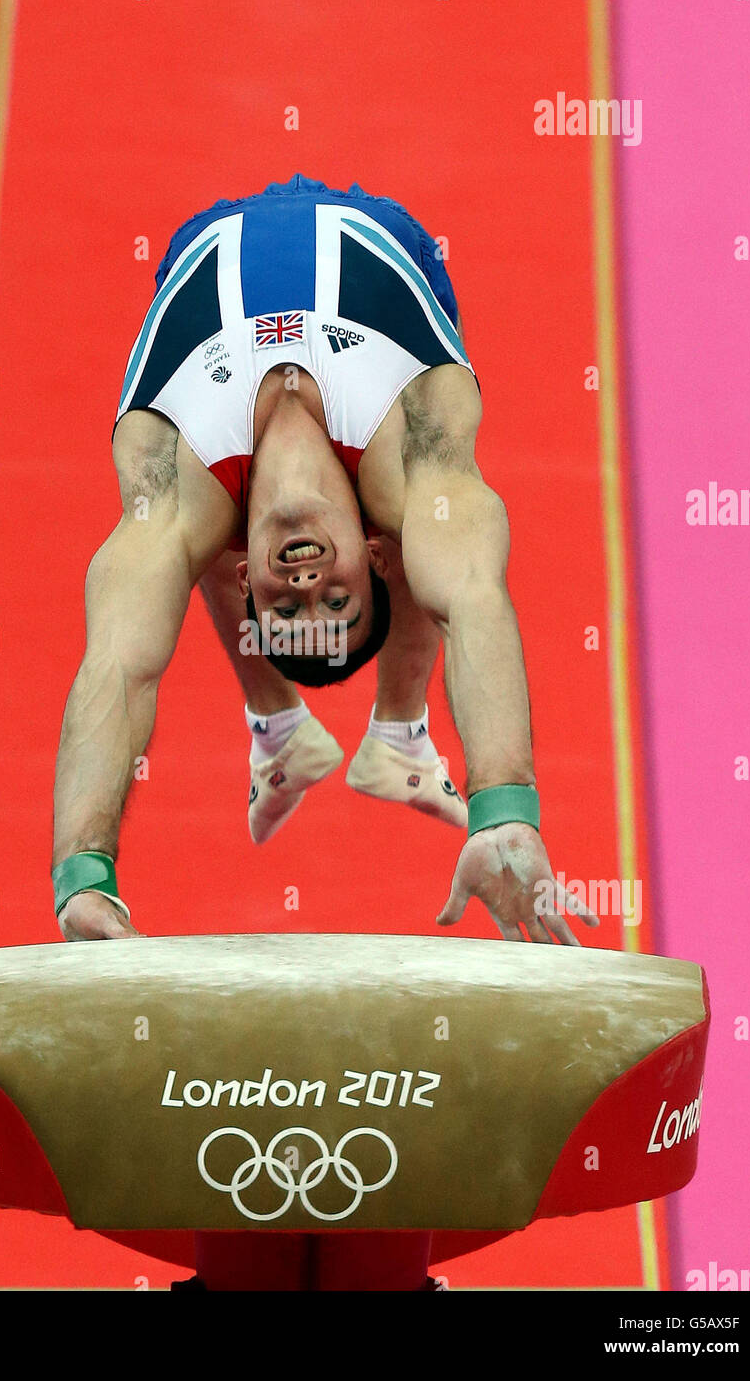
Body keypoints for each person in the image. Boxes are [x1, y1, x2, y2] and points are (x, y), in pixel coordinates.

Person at [52, 175, 597, 948]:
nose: (307, 588)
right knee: (427, 529)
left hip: (194, 243)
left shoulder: (171, 479)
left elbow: (117, 664)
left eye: (285, 610)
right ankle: (384, 732)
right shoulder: (415, 438)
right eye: (337, 604)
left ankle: (312, 729)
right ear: (371, 560)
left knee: (185, 545)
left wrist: (82, 877)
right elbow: (473, 596)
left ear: (253, 579)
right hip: (388, 234)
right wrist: (503, 812)